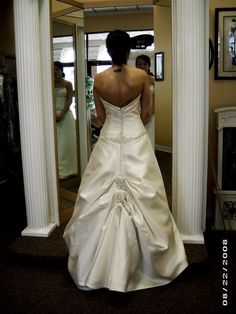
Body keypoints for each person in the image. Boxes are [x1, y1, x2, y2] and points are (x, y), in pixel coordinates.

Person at [63, 30, 188, 292]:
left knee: (98, 194)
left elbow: (101, 117)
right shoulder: (141, 76)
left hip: (108, 139)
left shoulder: (98, 80)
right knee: (147, 194)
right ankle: (149, 264)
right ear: (129, 51)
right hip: (134, 137)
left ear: (109, 51)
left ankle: (96, 266)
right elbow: (146, 113)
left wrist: (115, 124)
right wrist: (130, 122)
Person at [54, 61, 77, 179]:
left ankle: (69, 170)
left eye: (57, 69)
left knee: (67, 143)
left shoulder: (68, 83)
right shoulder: (49, 84)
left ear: (61, 70)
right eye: (53, 69)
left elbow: (69, 100)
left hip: (65, 115)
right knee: (55, 143)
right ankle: (56, 170)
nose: (55, 71)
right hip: (52, 116)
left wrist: (62, 113)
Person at [136, 54, 155, 150]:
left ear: (149, 65)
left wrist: (151, 113)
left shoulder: (154, 80)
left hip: (151, 114)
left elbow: (156, 98)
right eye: (139, 64)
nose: (142, 66)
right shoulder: (134, 81)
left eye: (144, 64)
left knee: (149, 142)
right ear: (136, 67)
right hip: (137, 114)